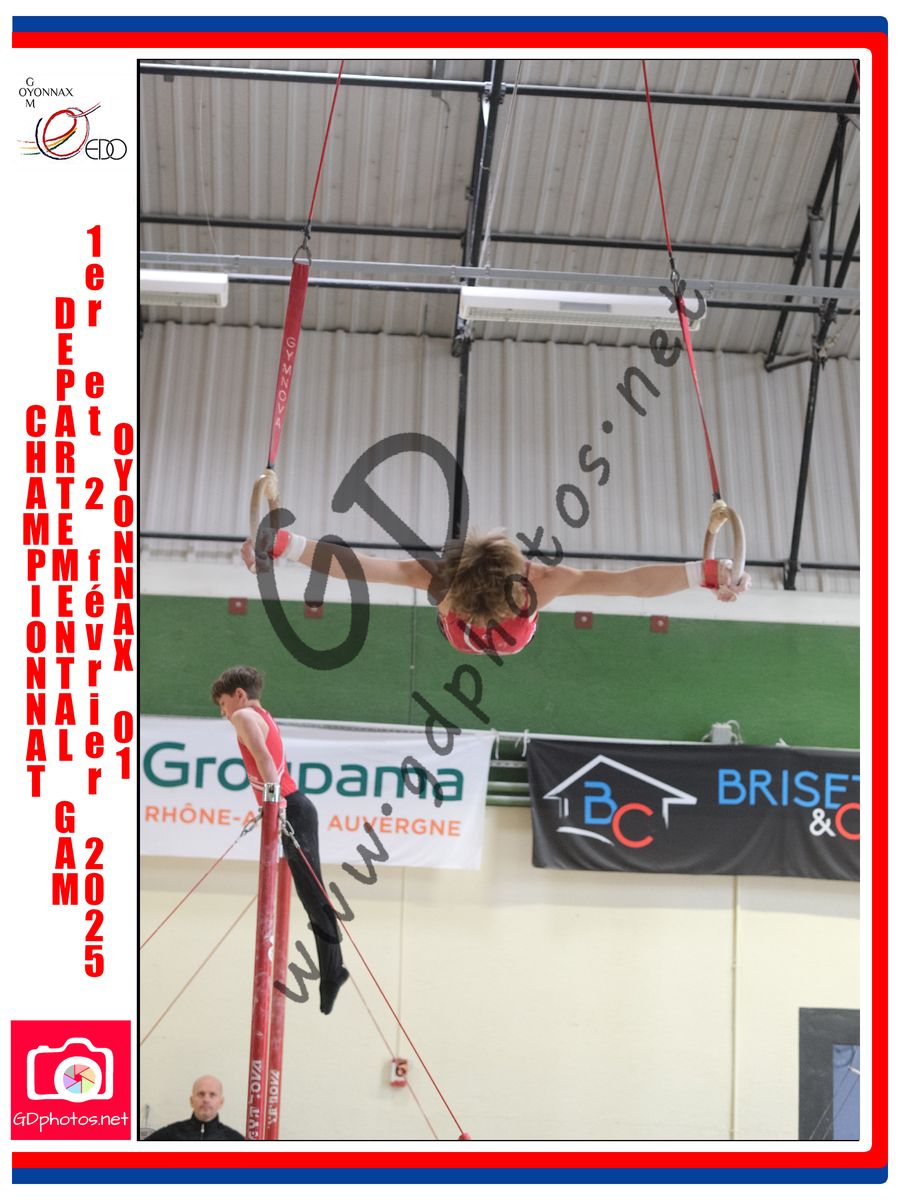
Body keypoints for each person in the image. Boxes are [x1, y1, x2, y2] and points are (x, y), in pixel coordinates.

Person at [241, 526, 750, 657]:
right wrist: (284, 544)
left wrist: (709, 572)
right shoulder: (443, 579)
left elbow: (633, 584)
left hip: (479, 628)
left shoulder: (542, 583)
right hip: (459, 625)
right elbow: (357, 568)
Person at [210, 665, 349, 1013]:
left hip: (292, 809)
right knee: (311, 896)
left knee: (314, 896)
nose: (224, 713)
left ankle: (333, 972)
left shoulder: (243, 715)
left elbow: (266, 761)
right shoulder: (264, 716)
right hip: (294, 807)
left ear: (239, 695)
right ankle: (332, 970)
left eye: (223, 704)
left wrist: (276, 806)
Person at [143, 1074, 244, 1140]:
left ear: (221, 1102)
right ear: (191, 1101)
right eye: (201, 1094)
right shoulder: (170, 1134)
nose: (206, 1099)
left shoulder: (235, 1139)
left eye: (212, 1095)